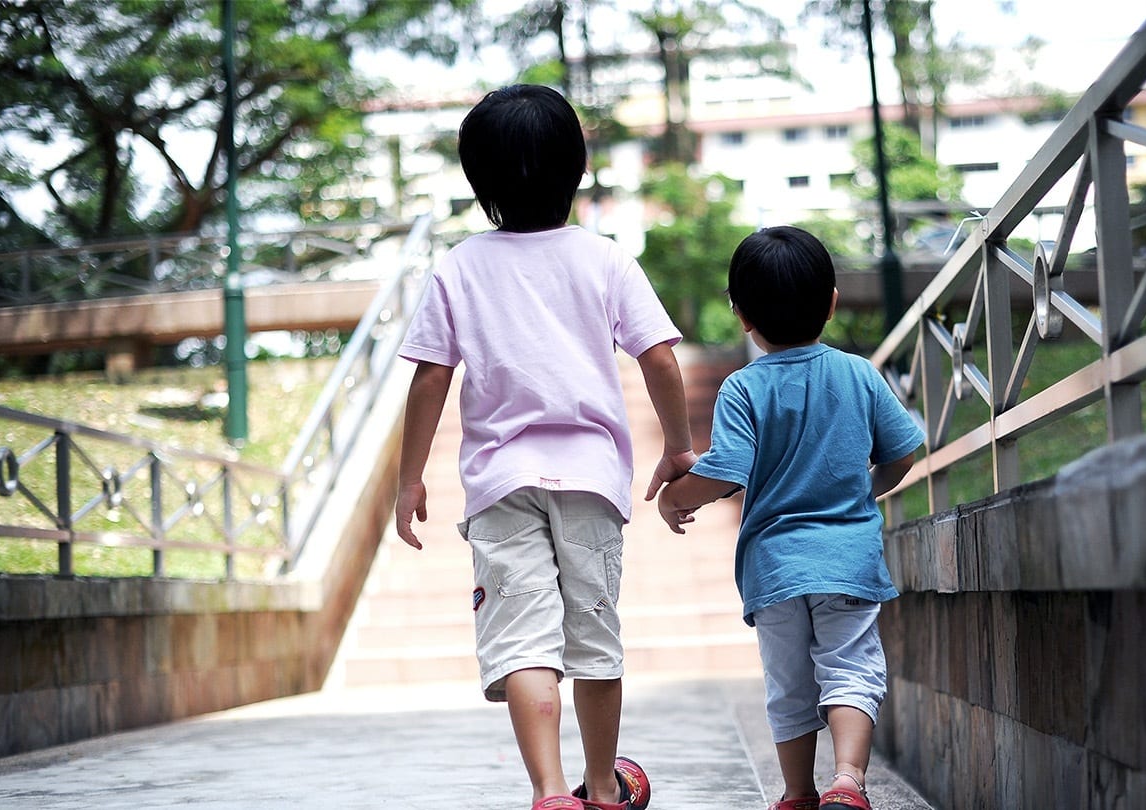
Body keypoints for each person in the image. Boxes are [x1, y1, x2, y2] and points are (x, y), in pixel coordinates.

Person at [395, 84, 695, 810]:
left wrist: (409, 480)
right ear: (578, 168)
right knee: (592, 636)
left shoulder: (459, 266)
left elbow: (432, 376)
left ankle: (551, 791)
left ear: (479, 181)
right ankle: (601, 787)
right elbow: (658, 358)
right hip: (590, 480)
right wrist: (678, 447)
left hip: (500, 485)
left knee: (523, 641)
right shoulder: (606, 259)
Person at [653, 226, 924, 810]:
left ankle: (799, 792)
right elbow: (903, 451)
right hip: (847, 559)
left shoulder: (743, 388)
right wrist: (863, 492)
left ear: (741, 316)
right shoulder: (858, 374)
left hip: (775, 569)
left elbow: (727, 468)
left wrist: (676, 498)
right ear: (831, 302)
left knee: (789, 685)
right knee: (851, 668)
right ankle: (848, 781)